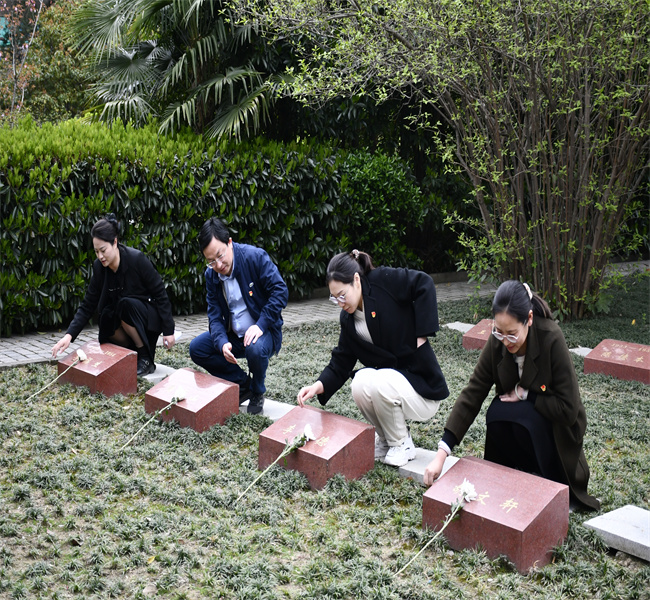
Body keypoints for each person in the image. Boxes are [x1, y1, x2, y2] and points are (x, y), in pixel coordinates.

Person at [423, 280, 600, 511]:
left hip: (557, 430)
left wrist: (526, 394)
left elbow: (568, 409)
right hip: (526, 426)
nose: (506, 341)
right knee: (498, 412)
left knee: (525, 416)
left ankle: (548, 483)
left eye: (512, 334)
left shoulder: (551, 338)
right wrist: (441, 454)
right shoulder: (498, 340)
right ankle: (509, 478)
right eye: (499, 331)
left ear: (529, 319)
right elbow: (474, 391)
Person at [297, 250, 449, 467]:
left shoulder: (383, 281)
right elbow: (341, 361)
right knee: (360, 382)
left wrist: (421, 336)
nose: (340, 302)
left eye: (342, 295)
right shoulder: (348, 320)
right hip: (390, 384)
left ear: (356, 280)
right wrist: (317, 386)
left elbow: (423, 283)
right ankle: (386, 440)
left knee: (378, 381)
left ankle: (401, 444)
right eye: (334, 298)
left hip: (422, 387)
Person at [51, 214, 176, 375]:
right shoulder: (99, 267)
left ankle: (145, 357)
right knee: (106, 315)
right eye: (96, 251)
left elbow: (160, 294)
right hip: (125, 323)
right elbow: (88, 304)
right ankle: (127, 355)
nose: (100, 256)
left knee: (125, 305)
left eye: (103, 250)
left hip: (145, 319)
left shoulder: (136, 259)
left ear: (115, 242)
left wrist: (168, 331)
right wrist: (69, 336)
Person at [189, 218, 289, 414]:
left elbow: (280, 291)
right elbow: (214, 314)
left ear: (229, 242)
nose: (218, 264)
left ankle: (257, 391)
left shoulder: (255, 257)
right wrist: (221, 342)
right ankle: (243, 385)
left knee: (255, 348)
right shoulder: (211, 275)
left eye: (220, 255)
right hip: (234, 335)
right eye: (211, 261)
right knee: (197, 348)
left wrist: (260, 325)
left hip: (264, 333)